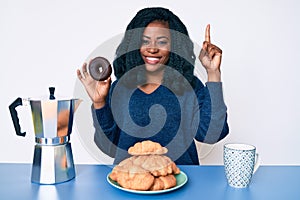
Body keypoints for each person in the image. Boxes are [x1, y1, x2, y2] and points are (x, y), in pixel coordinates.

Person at [77, 7, 229, 165]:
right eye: (145, 41)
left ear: (174, 47)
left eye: (162, 42)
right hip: (130, 181)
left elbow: (212, 135)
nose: (152, 48)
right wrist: (99, 103)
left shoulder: (189, 87)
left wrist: (213, 73)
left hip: (181, 179)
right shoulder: (119, 89)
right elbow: (109, 147)